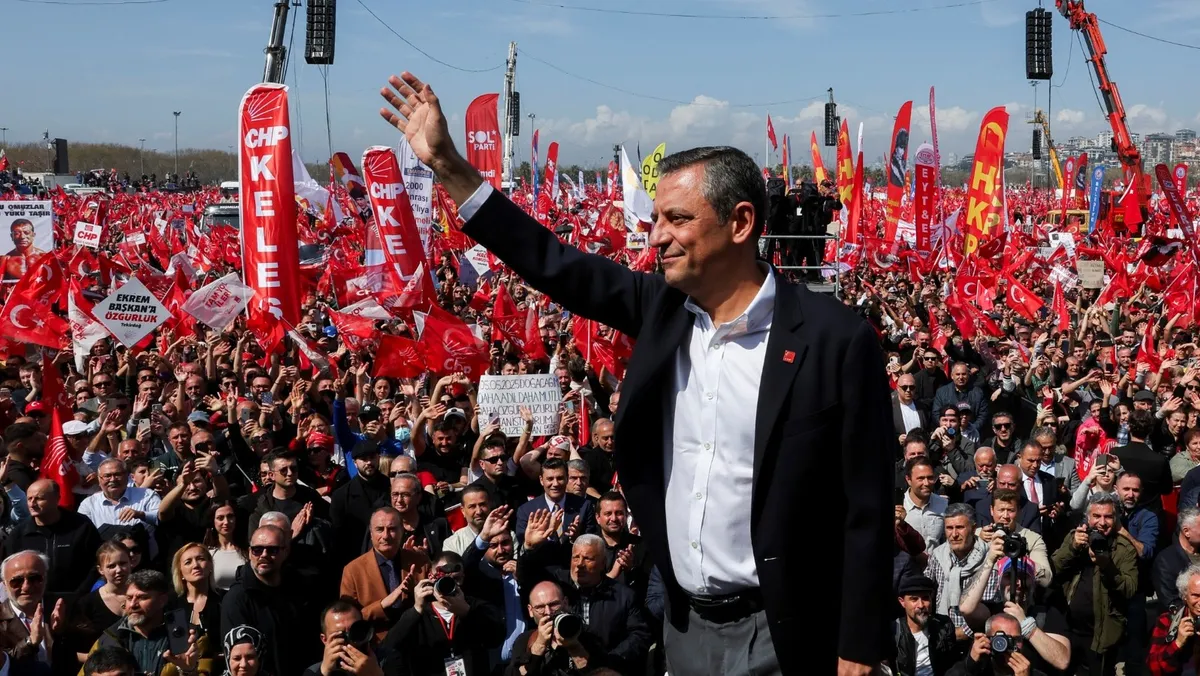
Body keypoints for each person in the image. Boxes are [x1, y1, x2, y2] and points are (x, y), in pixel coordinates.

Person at [380, 70, 893, 675]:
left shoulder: (834, 340)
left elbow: (866, 505)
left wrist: (859, 644)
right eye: (655, 219)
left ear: (741, 222)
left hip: (789, 628)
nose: (656, 238)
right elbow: (553, 262)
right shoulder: (663, 312)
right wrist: (448, 165)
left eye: (676, 219)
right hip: (687, 625)